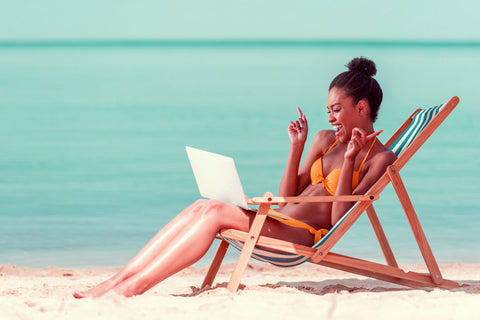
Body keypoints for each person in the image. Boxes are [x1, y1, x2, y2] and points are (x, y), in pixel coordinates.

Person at [73, 57, 397, 298]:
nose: (329, 117)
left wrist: (353, 157)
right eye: (328, 109)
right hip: (279, 220)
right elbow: (290, 194)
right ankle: (116, 281)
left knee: (213, 210)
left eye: (336, 109)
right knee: (202, 205)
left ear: (362, 107)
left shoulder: (381, 158)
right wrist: (296, 148)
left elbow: (342, 216)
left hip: (301, 238)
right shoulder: (324, 139)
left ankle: (133, 288)